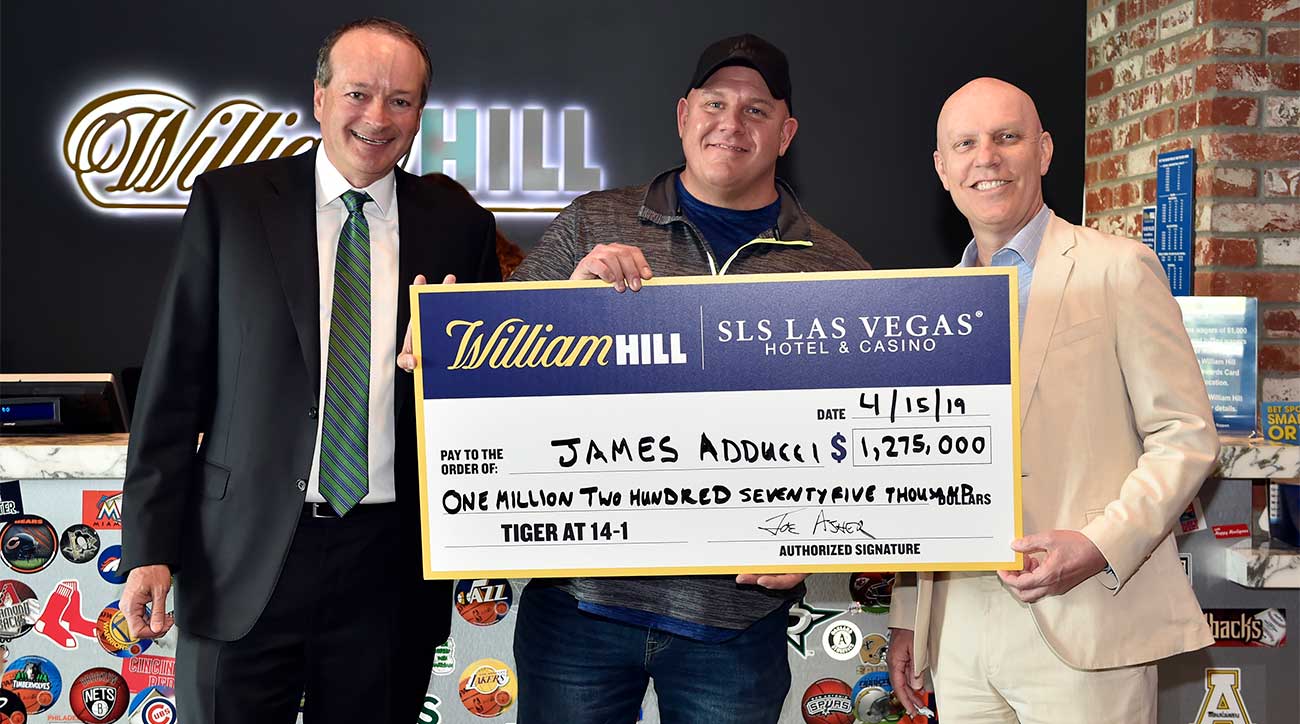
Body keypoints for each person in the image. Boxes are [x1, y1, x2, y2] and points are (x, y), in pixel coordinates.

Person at [119, 17, 500, 724]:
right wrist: (148, 548)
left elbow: (490, 398)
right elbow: (173, 391)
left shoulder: (459, 223)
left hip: (388, 563)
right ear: (319, 97)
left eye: (401, 101)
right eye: (359, 93)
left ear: (421, 114)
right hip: (245, 552)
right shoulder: (231, 205)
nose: (377, 118)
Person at [508, 34, 869, 724]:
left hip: (732, 624)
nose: (731, 124)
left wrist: (819, 542)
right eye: (714, 103)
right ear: (683, 114)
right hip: (581, 609)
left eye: (756, 110)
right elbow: (495, 371)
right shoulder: (591, 224)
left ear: (786, 132)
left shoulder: (835, 268)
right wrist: (563, 309)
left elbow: (860, 442)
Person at [887, 77, 1217, 724]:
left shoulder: (1118, 270)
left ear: (1043, 151)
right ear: (942, 168)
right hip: (958, 631)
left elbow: (1185, 435)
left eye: (1007, 137)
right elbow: (918, 465)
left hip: (1087, 616)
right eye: (966, 143)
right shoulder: (927, 305)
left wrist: (1096, 546)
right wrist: (908, 616)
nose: (987, 157)